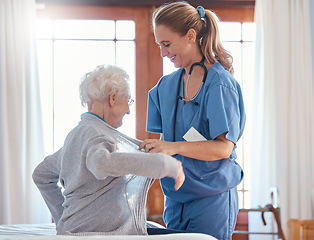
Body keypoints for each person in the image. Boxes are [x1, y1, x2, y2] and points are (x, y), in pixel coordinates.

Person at [32, 65, 185, 235]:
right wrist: (165, 164)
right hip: (99, 233)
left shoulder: (78, 134)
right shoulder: (95, 133)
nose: (128, 110)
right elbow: (100, 163)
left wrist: (63, 219)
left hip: (78, 230)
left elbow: (41, 174)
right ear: (112, 98)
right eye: (128, 100)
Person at [139, 2, 246, 240]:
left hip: (212, 197)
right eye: (159, 45)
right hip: (175, 198)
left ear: (190, 36)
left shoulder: (219, 83)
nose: (162, 53)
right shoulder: (163, 88)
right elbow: (161, 146)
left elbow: (224, 147)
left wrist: (174, 146)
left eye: (167, 44)